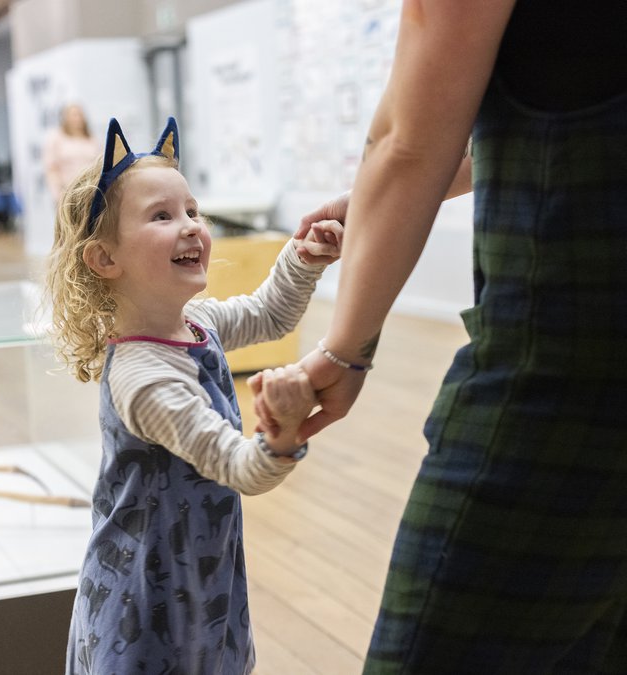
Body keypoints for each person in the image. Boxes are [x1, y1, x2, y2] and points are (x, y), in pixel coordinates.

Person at [253, 1, 627, 673]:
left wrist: (346, 348)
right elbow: (569, 91)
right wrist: (372, 199)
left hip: (566, 373)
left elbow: (411, 141)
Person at [45, 116, 343, 674]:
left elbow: (266, 313)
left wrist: (301, 258)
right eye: (161, 216)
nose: (189, 227)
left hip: (200, 572)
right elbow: (239, 467)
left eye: (191, 211)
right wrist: (278, 434)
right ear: (105, 259)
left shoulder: (195, 323)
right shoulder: (144, 377)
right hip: (145, 595)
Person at [43, 103, 100, 204]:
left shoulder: (91, 139)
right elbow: (51, 169)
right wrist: (57, 195)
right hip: (66, 194)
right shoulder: (56, 138)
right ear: (65, 118)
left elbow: (99, 165)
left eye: (79, 115)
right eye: (74, 115)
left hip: (90, 193)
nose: (77, 118)